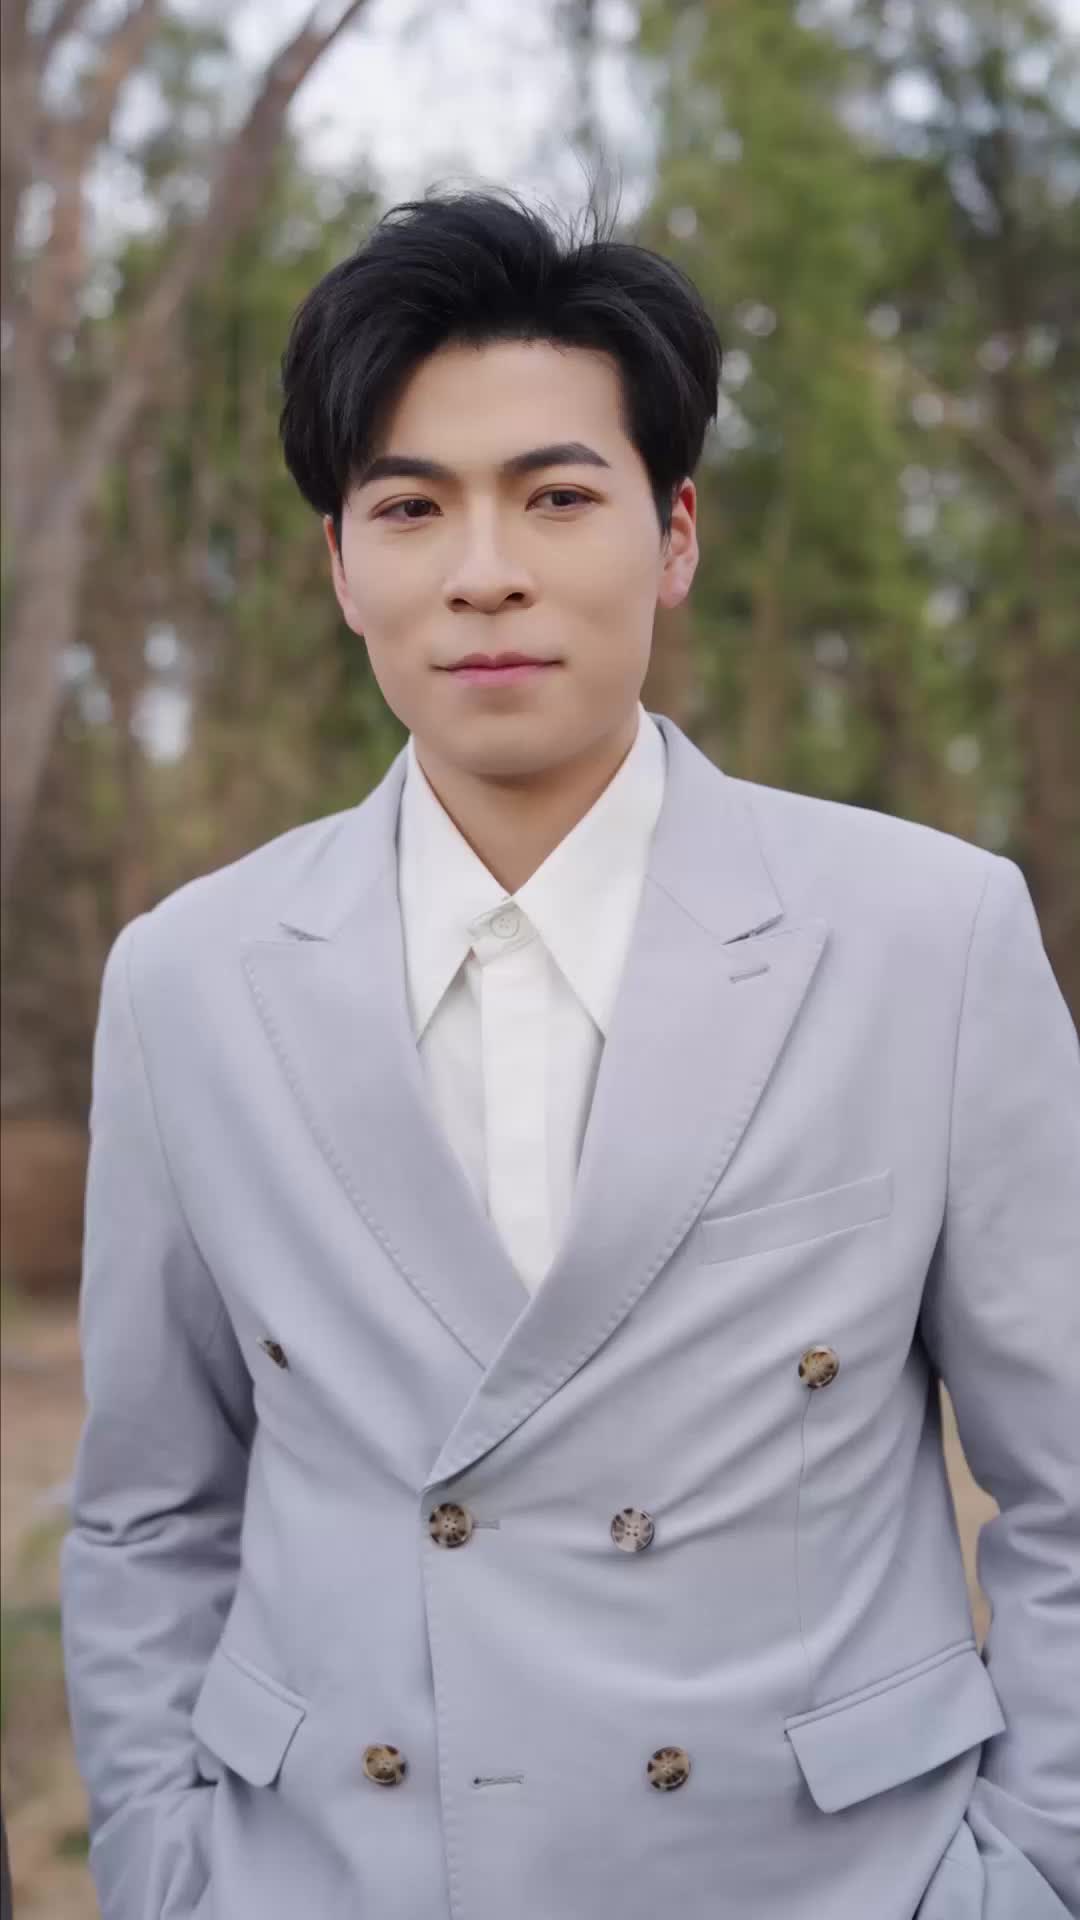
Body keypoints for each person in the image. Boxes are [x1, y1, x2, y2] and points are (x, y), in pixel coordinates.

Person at [59, 187, 1078, 1920]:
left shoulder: (931, 940)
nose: (485, 572)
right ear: (338, 565)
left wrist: (1033, 1879)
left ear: (674, 535)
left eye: (555, 495)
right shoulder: (190, 981)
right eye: (410, 506)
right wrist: (170, 1871)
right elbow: (152, 1513)